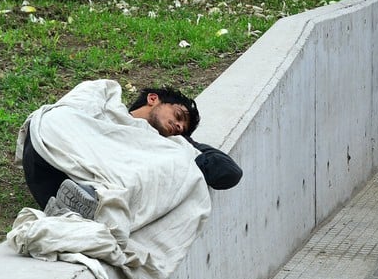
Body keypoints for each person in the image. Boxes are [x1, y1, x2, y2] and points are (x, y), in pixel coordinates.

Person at [17, 79, 242, 218]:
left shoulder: (163, 143)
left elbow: (229, 173)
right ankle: (87, 199)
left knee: (174, 162)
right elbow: (73, 109)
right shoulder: (107, 102)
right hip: (50, 160)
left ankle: (88, 203)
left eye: (183, 128)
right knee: (57, 116)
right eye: (178, 115)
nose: (179, 126)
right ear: (153, 99)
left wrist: (187, 145)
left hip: (76, 190)